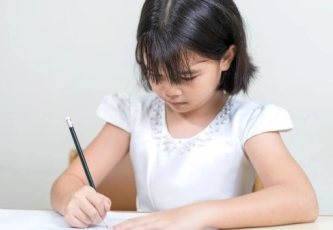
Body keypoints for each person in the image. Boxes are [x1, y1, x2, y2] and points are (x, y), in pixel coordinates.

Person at [51, 0, 319, 229]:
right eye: (155, 74)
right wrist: (71, 200)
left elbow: (301, 200)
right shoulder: (132, 114)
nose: (170, 90)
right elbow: (66, 183)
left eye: (187, 76)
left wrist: (198, 214)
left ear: (226, 58)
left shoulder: (249, 123)